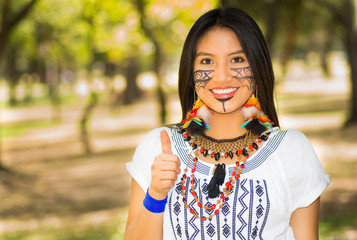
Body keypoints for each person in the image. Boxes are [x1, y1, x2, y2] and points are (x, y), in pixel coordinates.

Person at [124, 8, 330, 240]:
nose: (221, 76)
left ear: (258, 67)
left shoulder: (291, 150)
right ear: (190, 71)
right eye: (207, 61)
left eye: (237, 59)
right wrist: (156, 195)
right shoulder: (159, 148)